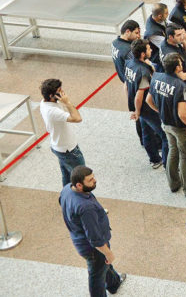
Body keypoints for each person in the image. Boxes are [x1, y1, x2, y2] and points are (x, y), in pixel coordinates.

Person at [59, 166, 126, 296]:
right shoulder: (86, 207)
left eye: (93, 177)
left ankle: (114, 283)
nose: (94, 180)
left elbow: (61, 202)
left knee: (103, 266)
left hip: (79, 238)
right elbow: (95, 239)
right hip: (93, 249)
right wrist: (108, 253)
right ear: (79, 185)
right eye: (90, 180)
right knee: (96, 276)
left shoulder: (67, 188)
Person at [147, 52, 186, 197]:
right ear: (177, 67)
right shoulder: (180, 86)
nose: (182, 64)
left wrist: (162, 112)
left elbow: (149, 100)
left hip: (166, 124)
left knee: (172, 151)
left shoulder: (156, 78)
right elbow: (182, 114)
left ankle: (173, 184)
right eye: (180, 62)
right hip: (180, 127)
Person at [39, 78, 85, 186]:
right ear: (51, 95)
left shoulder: (44, 102)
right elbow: (78, 118)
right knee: (81, 178)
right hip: (68, 151)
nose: (62, 93)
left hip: (59, 146)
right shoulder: (52, 111)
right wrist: (67, 103)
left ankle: (66, 197)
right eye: (59, 91)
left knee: (67, 176)